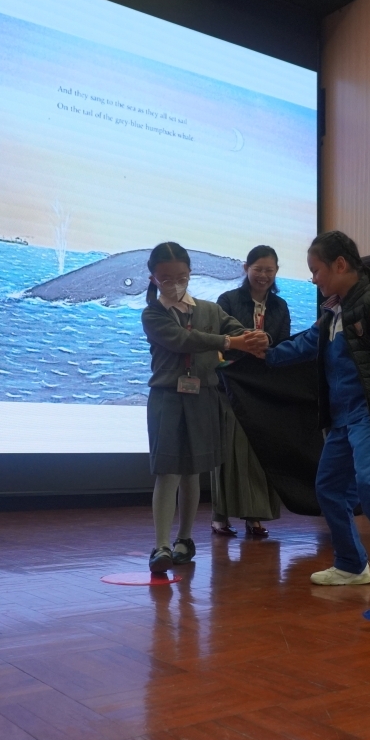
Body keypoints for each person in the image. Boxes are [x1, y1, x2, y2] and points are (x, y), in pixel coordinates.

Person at [265, 230, 370, 600]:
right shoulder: (333, 312)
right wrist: (264, 353)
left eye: (317, 270)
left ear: (340, 265)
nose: (313, 279)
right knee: (329, 488)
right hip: (342, 420)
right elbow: (306, 343)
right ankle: (350, 565)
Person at [141, 242, 268, 572]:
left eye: (181, 277)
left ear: (190, 273)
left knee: (192, 471)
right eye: (166, 278)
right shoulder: (152, 314)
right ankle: (161, 546)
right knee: (168, 471)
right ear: (153, 278)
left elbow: (237, 330)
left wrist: (256, 338)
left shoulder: (210, 310)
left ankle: (184, 539)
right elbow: (184, 340)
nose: (175, 283)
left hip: (203, 397)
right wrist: (230, 342)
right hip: (167, 399)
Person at [212, 246, 291, 538]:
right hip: (231, 385)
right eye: (258, 269)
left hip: (264, 388)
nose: (263, 275)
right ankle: (219, 516)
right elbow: (220, 340)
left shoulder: (280, 306)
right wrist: (249, 343)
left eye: (269, 270)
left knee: (259, 451)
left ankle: (254, 516)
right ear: (246, 268)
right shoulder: (227, 300)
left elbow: (285, 344)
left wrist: (268, 344)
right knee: (227, 450)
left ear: (276, 272)